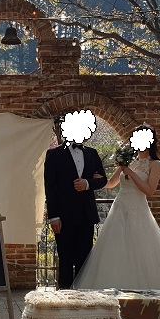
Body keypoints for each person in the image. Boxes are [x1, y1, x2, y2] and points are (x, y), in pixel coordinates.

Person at [73, 126, 160, 291]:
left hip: (138, 209)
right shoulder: (127, 159)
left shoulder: (155, 163)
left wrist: (131, 173)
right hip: (120, 208)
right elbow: (111, 183)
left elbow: (149, 190)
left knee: (140, 250)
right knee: (114, 249)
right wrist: (96, 180)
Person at [44, 119, 108, 289]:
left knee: (85, 260)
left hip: (86, 215)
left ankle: (83, 296)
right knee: (65, 259)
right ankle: (64, 297)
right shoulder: (54, 154)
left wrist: (87, 183)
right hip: (63, 216)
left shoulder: (92, 153)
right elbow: (50, 187)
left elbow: (103, 180)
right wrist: (54, 216)